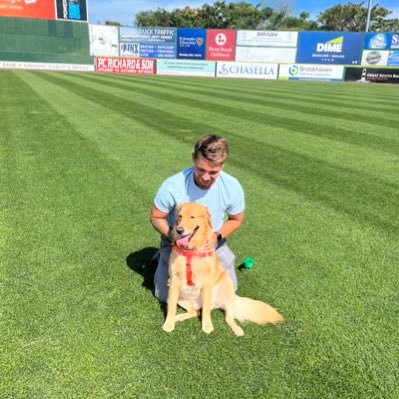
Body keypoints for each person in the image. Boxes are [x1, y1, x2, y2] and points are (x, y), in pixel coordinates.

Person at [150, 134, 245, 302]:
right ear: (194, 159)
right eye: (201, 169)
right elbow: (156, 216)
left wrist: (216, 237)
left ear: (222, 165)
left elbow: (236, 219)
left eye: (213, 172)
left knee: (228, 291)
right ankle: (163, 256)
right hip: (176, 242)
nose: (206, 177)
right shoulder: (173, 185)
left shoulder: (231, 186)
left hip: (210, 242)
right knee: (165, 296)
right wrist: (172, 236)